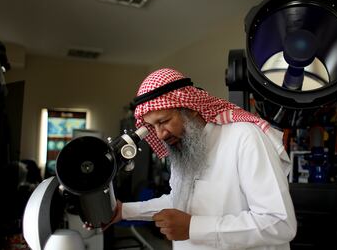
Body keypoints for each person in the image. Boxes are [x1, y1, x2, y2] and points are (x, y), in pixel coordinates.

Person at [98, 68, 297, 249]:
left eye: (164, 121)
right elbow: (180, 202)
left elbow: (279, 222)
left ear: (190, 107)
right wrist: (123, 211)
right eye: (153, 126)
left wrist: (194, 227)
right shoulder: (184, 147)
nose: (160, 135)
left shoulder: (245, 137)